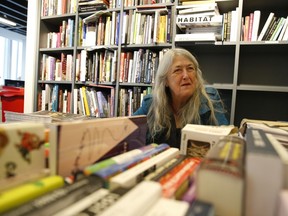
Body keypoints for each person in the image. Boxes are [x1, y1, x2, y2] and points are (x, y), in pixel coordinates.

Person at [133, 48, 229, 148]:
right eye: (177, 70)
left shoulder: (209, 100)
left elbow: (226, 142)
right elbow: (126, 133)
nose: (186, 76)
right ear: (166, 81)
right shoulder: (151, 104)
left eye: (190, 68)